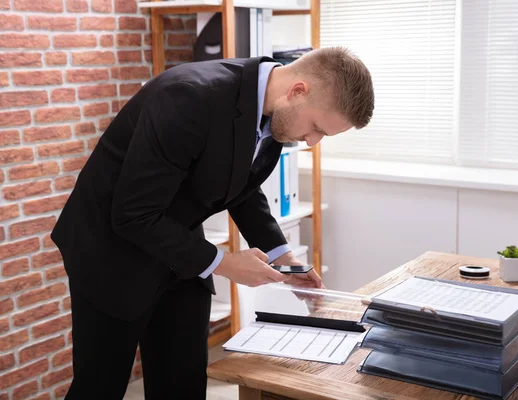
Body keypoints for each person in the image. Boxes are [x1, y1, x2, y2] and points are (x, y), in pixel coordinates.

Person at [51, 46, 374, 400]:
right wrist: (224, 263)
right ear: (298, 91)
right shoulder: (189, 97)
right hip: (110, 250)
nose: (312, 142)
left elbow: (242, 186)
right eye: (316, 128)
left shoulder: (276, 113)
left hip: (179, 248)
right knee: (100, 386)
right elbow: (133, 214)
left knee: (184, 382)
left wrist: (283, 257)